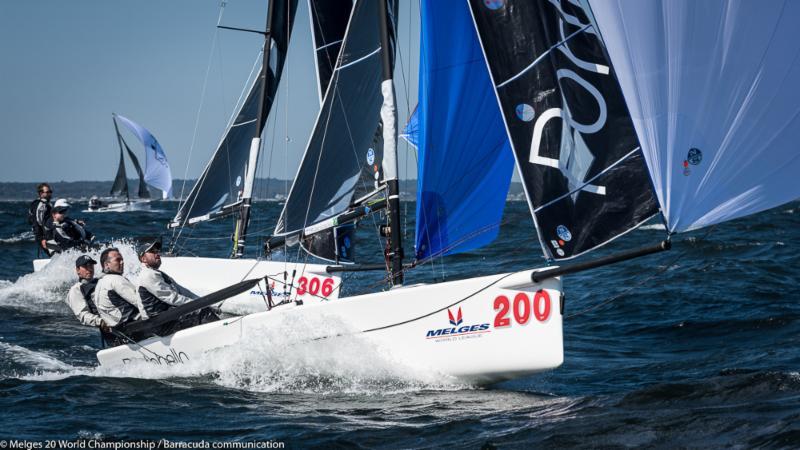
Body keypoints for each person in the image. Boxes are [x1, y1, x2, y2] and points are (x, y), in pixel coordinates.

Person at [137, 239, 219, 334]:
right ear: (143, 259)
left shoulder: (157, 273)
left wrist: (206, 303)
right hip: (159, 325)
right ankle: (223, 334)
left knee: (202, 309)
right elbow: (173, 298)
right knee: (203, 312)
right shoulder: (147, 275)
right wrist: (200, 306)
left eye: (157, 251)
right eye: (152, 252)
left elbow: (184, 292)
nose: (157, 254)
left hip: (168, 318)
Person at [94, 248, 148, 342]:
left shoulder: (100, 283)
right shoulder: (115, 280)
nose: (122, 262)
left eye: (122, 259)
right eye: (118, 260)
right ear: (107, 265)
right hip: (134, 329)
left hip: (117, 333)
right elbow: (141, 302)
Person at [65, 255, 111, 332]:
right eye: (86, 266)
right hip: (109, 324)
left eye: (91, 266)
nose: (89, 269)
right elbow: (83, 315)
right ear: (78, 270)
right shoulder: (76, 290)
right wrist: (101, 322)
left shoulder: (100, 279)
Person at [27, 183, 52, 254]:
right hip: (44, 237)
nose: (50, 194)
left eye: (50, 192)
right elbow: (35, 222)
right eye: (47, 192)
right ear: (41, 193)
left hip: (47, 235)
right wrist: (41, 239)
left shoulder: (46, 204)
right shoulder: (40, 205)